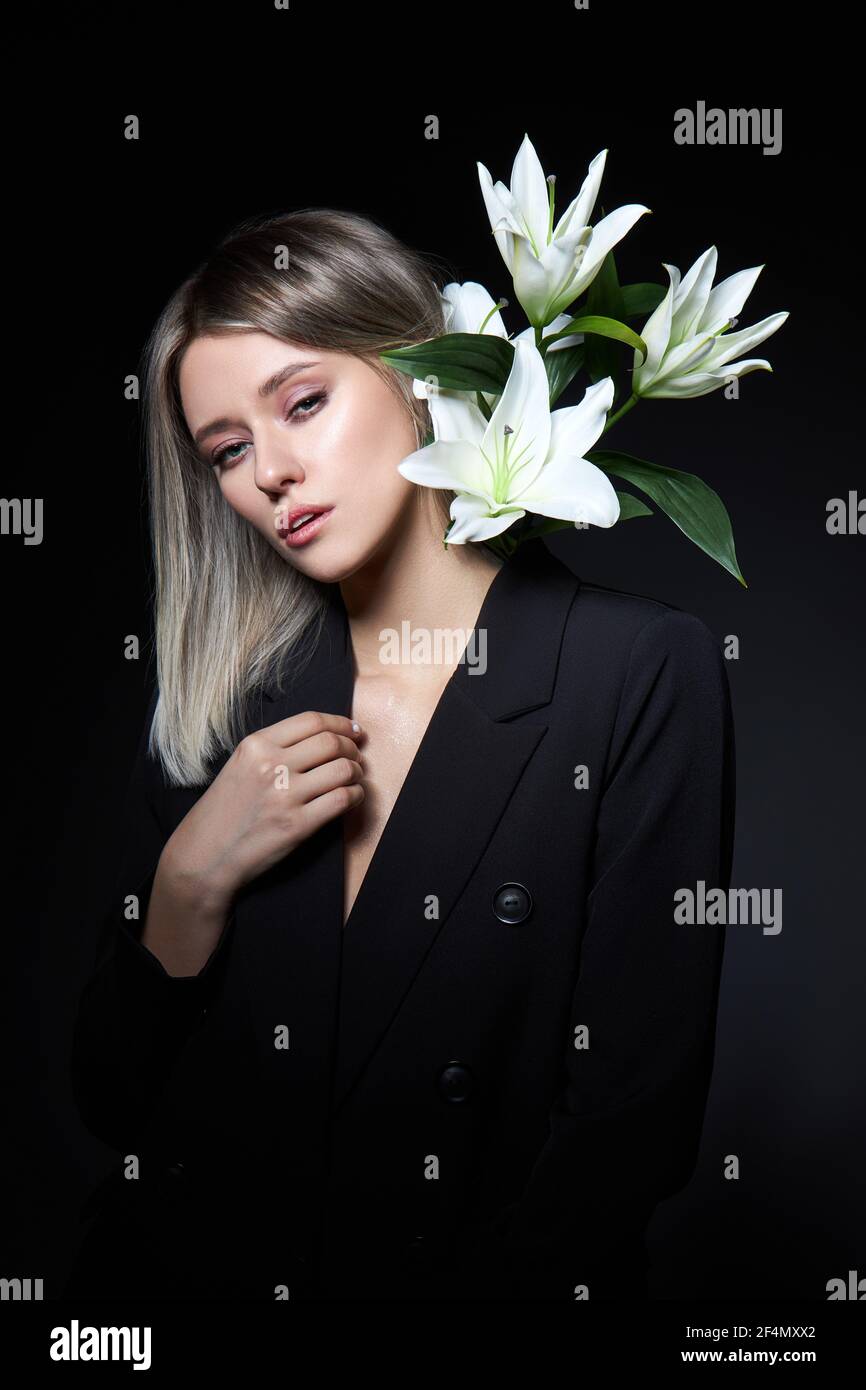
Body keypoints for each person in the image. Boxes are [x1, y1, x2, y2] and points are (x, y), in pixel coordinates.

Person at [66, 208, 735, 1302]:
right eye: (227, 451)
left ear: (416, 367)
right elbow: (112, 1101)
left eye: (303, 403)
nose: (269, 472)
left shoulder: (632, 668)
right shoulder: (227, 699)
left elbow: (626, 1130)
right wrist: (188, 883)